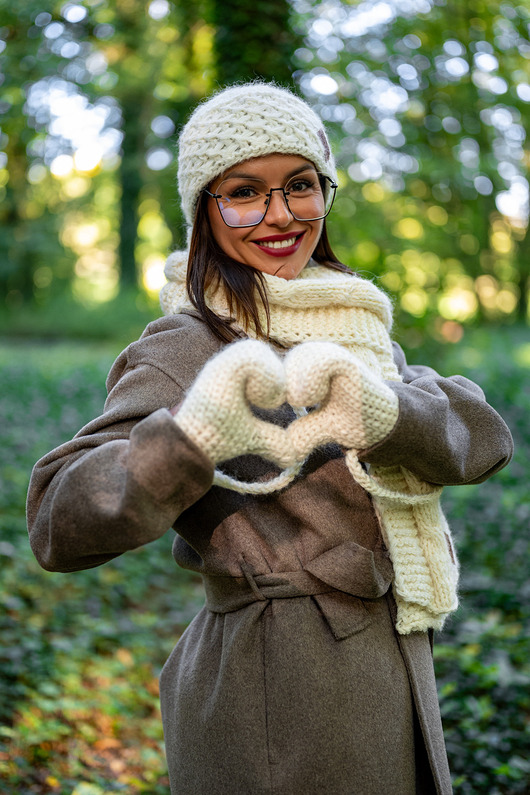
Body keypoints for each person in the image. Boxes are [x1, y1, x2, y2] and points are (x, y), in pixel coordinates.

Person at [27, 83, 513, 795]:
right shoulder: (186, 342)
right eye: (245, 192)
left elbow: (484, 438)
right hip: (279, 697)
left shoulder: (351, 322)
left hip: (391, 661)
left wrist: (387, 415)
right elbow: (57, 520)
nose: (280, 214)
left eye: (300, 186)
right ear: (205, 208)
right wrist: (193, 437)